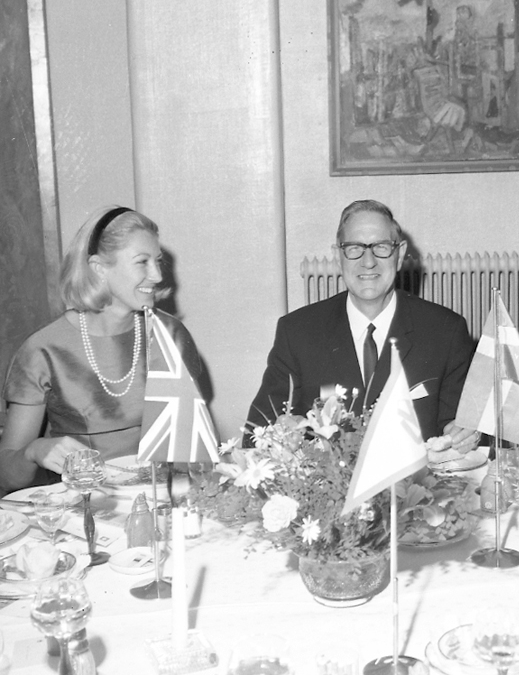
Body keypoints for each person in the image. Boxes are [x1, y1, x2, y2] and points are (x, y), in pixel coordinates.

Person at [0, 206, 204, 493]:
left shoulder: (171, 334)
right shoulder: (43, 349)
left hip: (161, 499)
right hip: (82, 504)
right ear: (99, 268)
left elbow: (191, 447)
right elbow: (7, 477)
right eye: (142, 262)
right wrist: (35, 450)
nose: (158, 275)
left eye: (158, 261)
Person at [247, 199, 477, 447]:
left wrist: (465, 436)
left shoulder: (446, 331)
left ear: (399, 255)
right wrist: (278, 438)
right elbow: (255, 435)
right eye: (354, 248)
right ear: (338, 257)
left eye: (381, 247)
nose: (368, 262)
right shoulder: (297, 332)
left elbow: (467, 429)